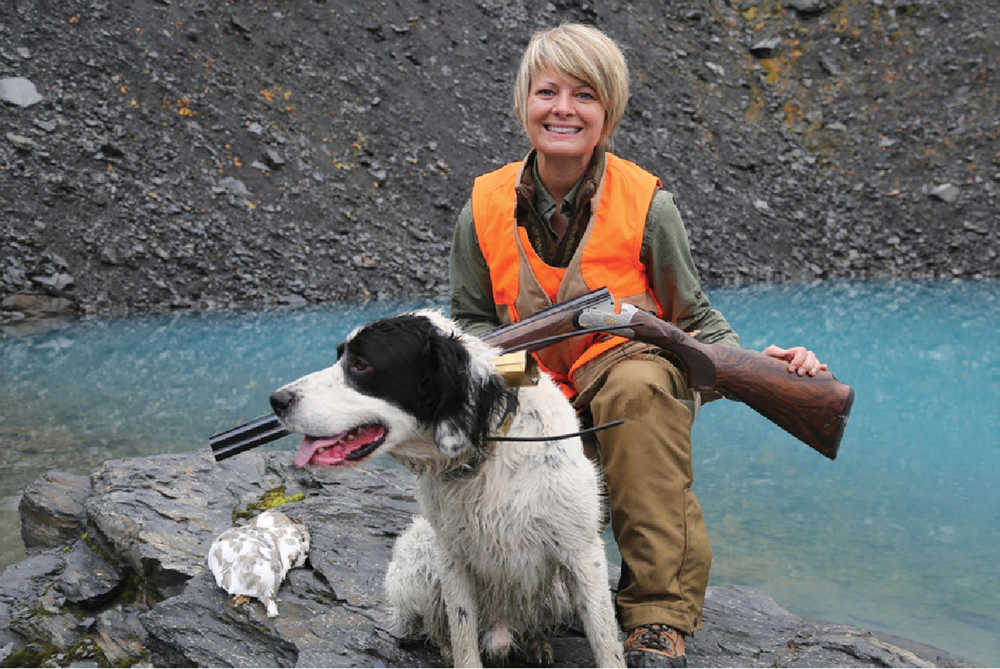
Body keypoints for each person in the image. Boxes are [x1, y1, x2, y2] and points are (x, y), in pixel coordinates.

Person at [448, 23, 827, 668]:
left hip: (624, 384)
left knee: (640, 381)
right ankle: (514, 593)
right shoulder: (481, 206)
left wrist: (756, 367)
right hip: (531, 397)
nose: (563, 108)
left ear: (609, 113)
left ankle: (656, 617)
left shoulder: (650, 206)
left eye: (585, 96)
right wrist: (518, 384)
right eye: (547, 92)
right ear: (523, 106)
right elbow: (473, 333)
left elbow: (694, 319)